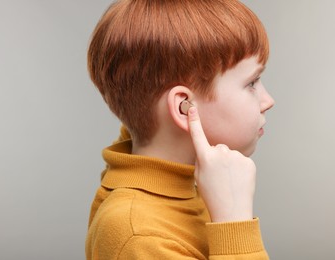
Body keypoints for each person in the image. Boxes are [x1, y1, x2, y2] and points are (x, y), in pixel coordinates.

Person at [85, 0, 275, 259]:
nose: (268, 101)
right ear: (186, 107)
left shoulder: (178, 178)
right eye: (252, 83)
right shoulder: (140, 237)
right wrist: (234, 224)